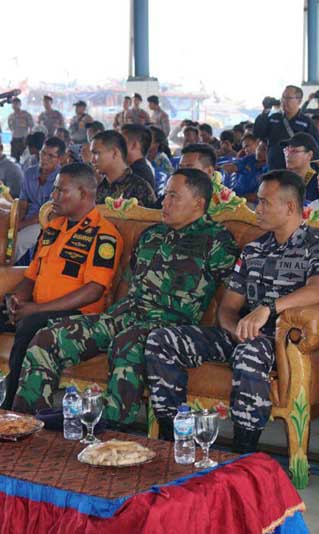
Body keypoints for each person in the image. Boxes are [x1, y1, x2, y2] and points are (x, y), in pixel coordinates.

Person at [12, 168, 239, 427]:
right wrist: (113, 315)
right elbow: (127, 282)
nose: (164, 202)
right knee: (47, 337)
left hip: (168, 326)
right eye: (165, 195)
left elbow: (231, 295)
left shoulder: (217, 241)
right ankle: (27, 423)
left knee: (127, 342)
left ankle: (112, 427)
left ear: (198, 203)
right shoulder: (152, 234)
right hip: (125, 315)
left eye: (173, 196)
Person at [144, 170, 319, 451]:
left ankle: (243, 452)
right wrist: (235, 330)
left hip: (282, 340)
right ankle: (174, 440)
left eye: (265, 202)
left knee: (250, 352)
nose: (258, 209)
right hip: (242, 334)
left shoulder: (317, 244)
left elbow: (318, 290)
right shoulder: (254, 249)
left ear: (290, 207)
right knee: (161, 340)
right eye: (258, 201)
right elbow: (229, 306)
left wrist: (268, 309)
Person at [2, 163, 123, 409]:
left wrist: (36, 310)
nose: (53, 196)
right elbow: (32, 275)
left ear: (84, 194)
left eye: (60, 190)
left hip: (77, 315)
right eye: (54, 189)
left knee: (30, 325)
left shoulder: (104, 235)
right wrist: (18, 300)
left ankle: (13, 411)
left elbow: (94, 290)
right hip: (37, 308)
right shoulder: (53, 228)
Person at [15, 137, 65, 262]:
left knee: (18, 241)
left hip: (47, 222)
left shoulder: (62, 178)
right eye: (43, 153)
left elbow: (48, 212)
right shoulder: (29, 172)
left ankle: (5, 268)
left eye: (50, 156)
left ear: (59, 159)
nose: (44, 158)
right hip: (27, 219)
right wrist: (16, 222)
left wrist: (21, 225)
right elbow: (23, 203)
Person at [253, 85, 319, 170]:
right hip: (274, 168)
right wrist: (266, 110)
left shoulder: (307, 122)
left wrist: (309, 173)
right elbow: (258, 133)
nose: (284, 101)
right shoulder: (274, 118)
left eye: (288, 98)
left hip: (296, 171)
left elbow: (316, 150)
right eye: (283, 97)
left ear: (299, 101)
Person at [91, 130, 157, 207]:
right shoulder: (98, 188)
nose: (92, 160)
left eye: (96, 153)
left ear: (115, 153)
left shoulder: (140, 188)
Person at [280, 132, 319, 200]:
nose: (288, 155)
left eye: (294, 151)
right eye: (286, 150)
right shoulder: (282, 180)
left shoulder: (318, 183)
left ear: (309, 155)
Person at [120, 124, 156, 191]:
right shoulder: (134, 168)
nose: (117, 147)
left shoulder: (140, 172)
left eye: (121, 142)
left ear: (134, 145)